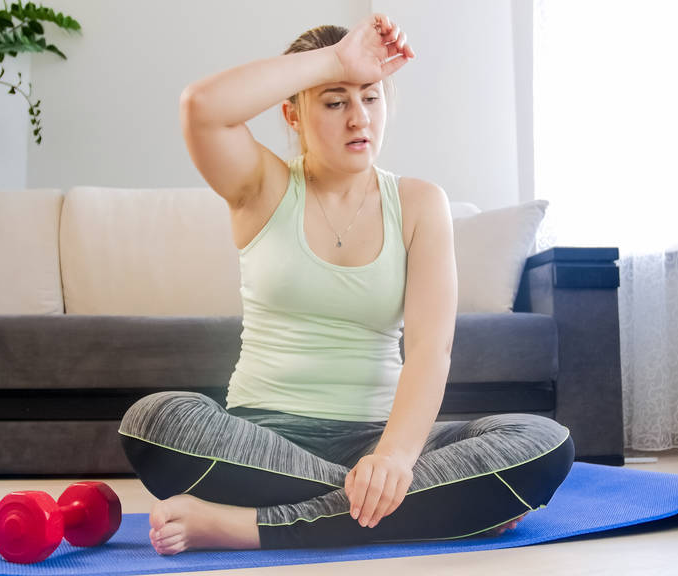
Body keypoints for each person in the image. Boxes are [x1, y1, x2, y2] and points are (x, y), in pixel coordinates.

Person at [118, 13, 574, 553]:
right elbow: (201, 108)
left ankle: (249, 526)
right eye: (334, 101)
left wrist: (395, 460)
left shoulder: (419, 204)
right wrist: (336, 59)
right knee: (155, 421)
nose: (358, 118)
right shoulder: (261, 187)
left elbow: (431, 348)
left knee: (545, 442)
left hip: (378, 442)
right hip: (259, 441)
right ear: (292, 113)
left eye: (371, 98)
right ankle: (436, 506)